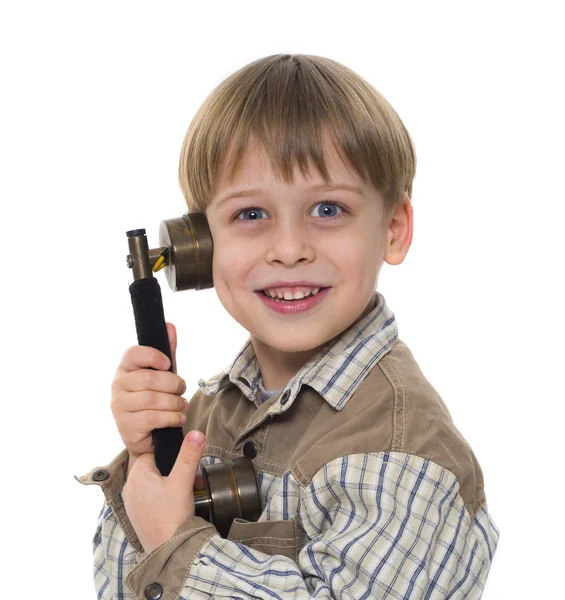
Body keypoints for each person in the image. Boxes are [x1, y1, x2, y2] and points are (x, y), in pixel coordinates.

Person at [75, 53, 500, 599]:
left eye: (327, 209)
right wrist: (147, 462)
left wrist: (176, 539)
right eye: (251, 215)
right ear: (196, 248)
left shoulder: (404, 453)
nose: (290, 250)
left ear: (393, 229)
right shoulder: (201, 418)